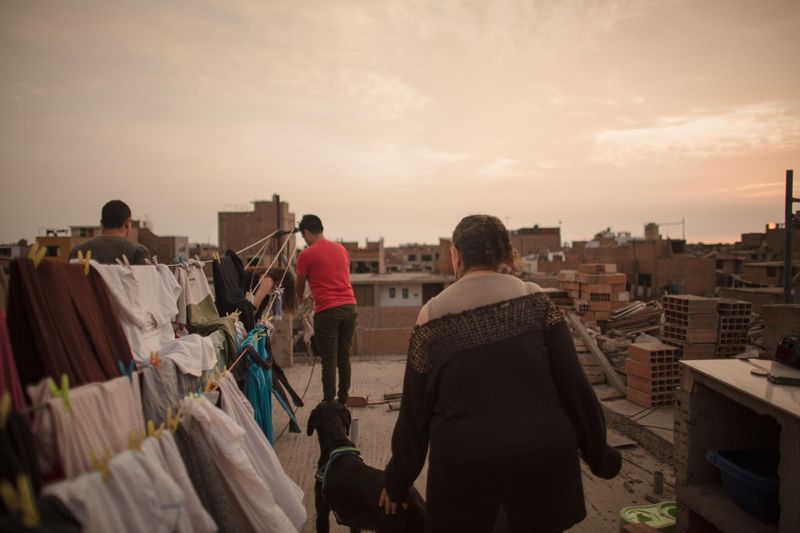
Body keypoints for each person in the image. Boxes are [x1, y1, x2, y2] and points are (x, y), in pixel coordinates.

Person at [380, 215, 621, 533]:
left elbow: (414, 417)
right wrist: (600, 455)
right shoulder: (537, 302)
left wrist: (396, 484)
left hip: (466, 475)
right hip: (544, 467)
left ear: (457, 256)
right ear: (504, 255)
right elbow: (575, 389)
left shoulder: (432, 316)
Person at [295, 214, 357, 404]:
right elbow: (336, 278)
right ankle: (343, 399)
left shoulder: (306, 254)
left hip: (328, 312)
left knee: (328, 359)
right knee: (343, 355)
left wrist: (302, 299)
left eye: (303, 236)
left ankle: (329, 402)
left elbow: (299, 285)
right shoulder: (341, 249)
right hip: (349, 307)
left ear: (306, 232)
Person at [69, 200, 150, 265]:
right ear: (127, 223)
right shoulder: (138, 251)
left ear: (102, 223)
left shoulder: (78, 251)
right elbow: (145, 283)